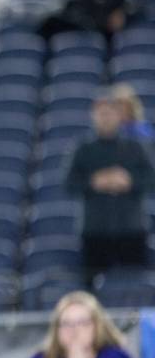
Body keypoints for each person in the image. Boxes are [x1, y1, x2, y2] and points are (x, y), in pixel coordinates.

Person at [64, 93, 155, 283]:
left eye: (110, 113)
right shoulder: (83, 149)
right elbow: (69, 183)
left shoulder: (135, 147)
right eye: (101, 113)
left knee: (135, 285)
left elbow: (150, 178)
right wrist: (94, 182)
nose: (106, 118)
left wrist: (129, 181)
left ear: (118, 116)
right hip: (94, 231)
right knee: (92, 287)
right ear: (93, 116)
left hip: (131, 229)